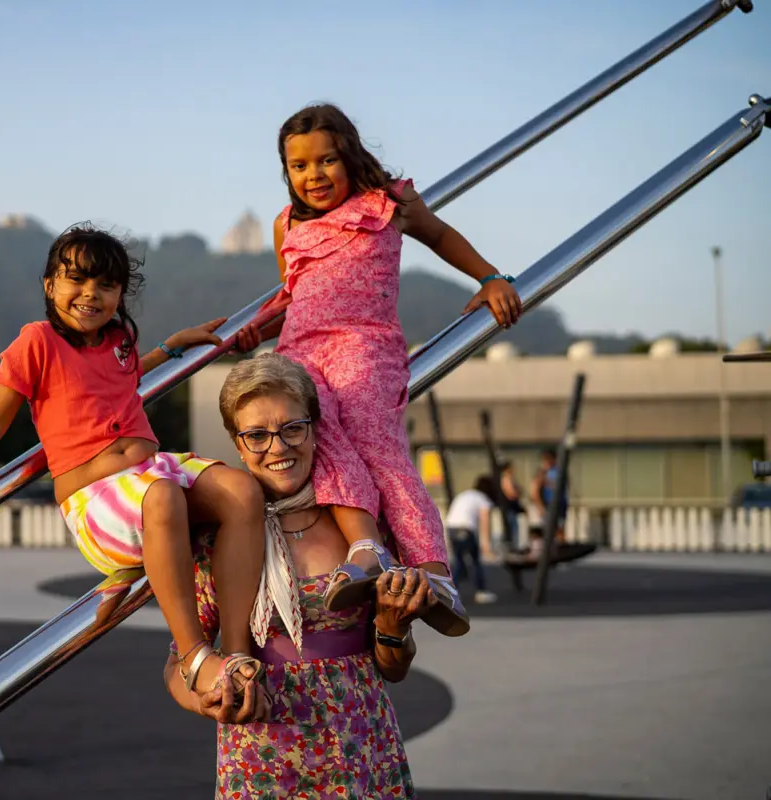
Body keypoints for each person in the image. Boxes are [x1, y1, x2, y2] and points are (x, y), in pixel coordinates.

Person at [0, 224, 267, 701]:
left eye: (106, 285)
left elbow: (119, 383)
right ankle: (194, 657)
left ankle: (236, 649)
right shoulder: (37, 342)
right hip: (100, 502)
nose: (91, 294)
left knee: (243, 490)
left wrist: (171, 348)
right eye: (77, 280)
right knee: (164, 496)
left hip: (153, 475)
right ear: (50, 285)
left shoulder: (119, 339)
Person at [237, 103, 523, 634]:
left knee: (378, 447)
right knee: (316, 438)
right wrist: (256, 326)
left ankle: (435, 574)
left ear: (350, 154)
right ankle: (366, 547)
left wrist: (490, 277)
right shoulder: (287, 224)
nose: (313, 176)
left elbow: (440, 236)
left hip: (365, 346)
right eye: (299, 167)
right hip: (299, 348)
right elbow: (292, 292)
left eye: (326, 161)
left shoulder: (387, 202)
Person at [164, 352, 432, 798]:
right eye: (257, 435)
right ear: (236, 443)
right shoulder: (216, 539)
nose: (278, 447)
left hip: (360, 748)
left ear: (315, 428)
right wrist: (207, 699)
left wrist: (392, 627)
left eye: (293, 428)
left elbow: (394, 668)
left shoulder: (360, 525)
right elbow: (179, 662)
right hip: (262, 755)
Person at [444, 476, 499, 604]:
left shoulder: (466, 494)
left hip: (451, 527)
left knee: (459, 560)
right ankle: (481, 591)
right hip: (465, 529)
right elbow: (485, 522)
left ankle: (451, 590)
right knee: (475, 561)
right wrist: (486, 545)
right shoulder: (483, 499)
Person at [529, 448, 568, 553]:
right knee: (549, 528)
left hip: (560, 503)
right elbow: (535, 489)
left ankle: (560, 549)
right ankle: (549, 550)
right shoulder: (542, 472)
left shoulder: (559, 471)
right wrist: (540, 506)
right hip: (549, 503)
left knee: (559, 526)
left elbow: (560, 485)